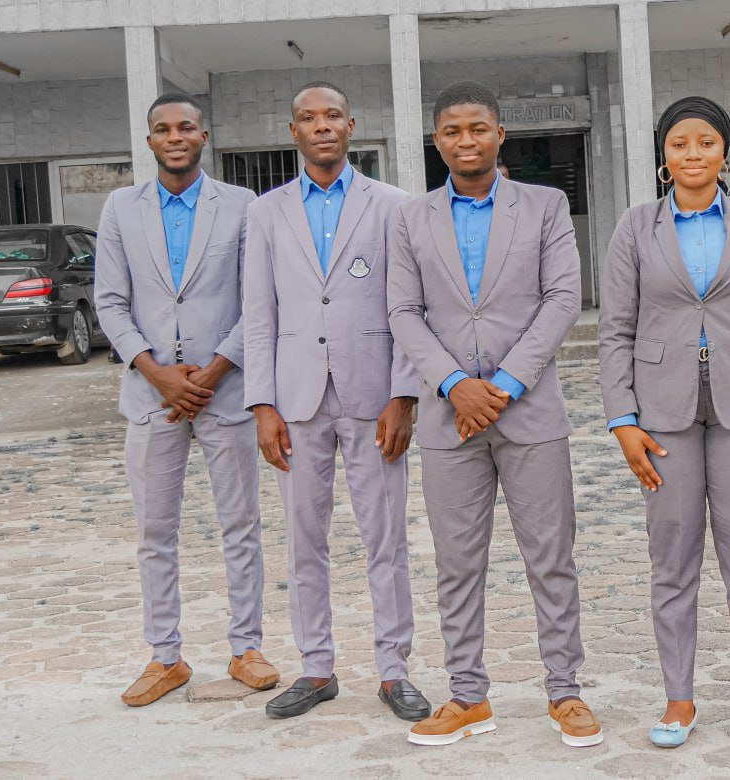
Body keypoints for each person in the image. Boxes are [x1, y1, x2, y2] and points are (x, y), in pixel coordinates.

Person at [387, 80, 601, 748]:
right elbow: (403, 311)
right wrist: (456, 385)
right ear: (437, 140)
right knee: (457, 563)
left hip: (529, 413)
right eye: (452, 131)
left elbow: (563, 299)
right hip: (450, 419)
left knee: (550, 556)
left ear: (500, 133)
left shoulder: (545, 206)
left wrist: (501, 386)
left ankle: (564, 691)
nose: (466, 140)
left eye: (478, 128)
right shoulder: (412, 218)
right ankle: (467, 695)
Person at [598, 96, 730, 749]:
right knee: (672, 560)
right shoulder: (636, 226)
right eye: (680, 143)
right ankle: (678, 702)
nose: (694, 154)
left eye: (707, 143)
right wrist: (622, 419)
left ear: (725, 152)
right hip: (663, 415)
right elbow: (615, 330)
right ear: (663, 156)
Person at [242, 81, 430, 721]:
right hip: (295, 399)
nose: (321, 126)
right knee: (304, 540)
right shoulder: (266, 213)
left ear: (351, 126)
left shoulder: (394, 207)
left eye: (332, 116)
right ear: (293, 131)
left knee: (386, 538)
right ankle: (316, 668)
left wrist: (404, 394)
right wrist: (262, 404)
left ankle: (394, 671)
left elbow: (409, 308)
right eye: (307, 118)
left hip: (373, 396)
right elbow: (259, 314)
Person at [95, 92, 278, 706]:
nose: (175, 137)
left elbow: (257, 299)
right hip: (152, 396)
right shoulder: (121, 208)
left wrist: (214, 371)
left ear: (204, 135)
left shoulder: (243, 205)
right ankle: (165, 656)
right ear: (149, 139)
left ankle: (246, 647)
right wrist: (157, 374)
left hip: (226, 391)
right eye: (162, 129)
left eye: (186, 127)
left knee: (240, 524)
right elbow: (110, 302)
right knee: (155, 530)